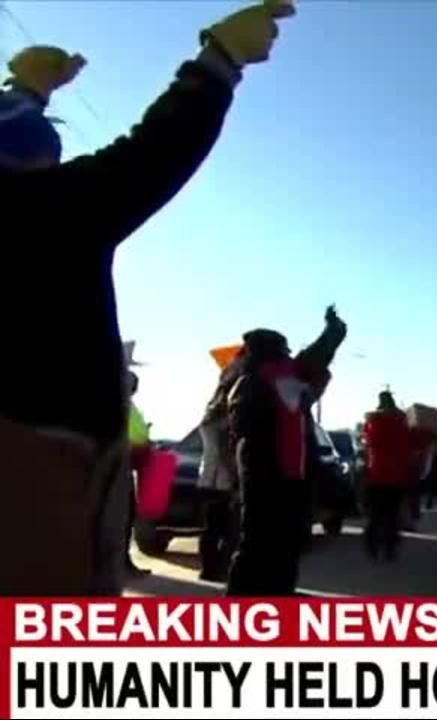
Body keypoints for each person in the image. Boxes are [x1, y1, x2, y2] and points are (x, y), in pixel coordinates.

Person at [0, 1, 297, 596]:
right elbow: (154, 151)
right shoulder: (41, 213)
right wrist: (219, 61)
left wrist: (26, 93)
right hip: (42, 483)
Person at [226, 306, 347, 596]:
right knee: (274, 544)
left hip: (264, 475)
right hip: (278, 477)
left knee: (260, 543)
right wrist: (333, 330)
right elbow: (316, 357)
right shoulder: (277, 378)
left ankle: (256, 596)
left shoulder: (246, 382)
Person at [197, 354, 244, 582]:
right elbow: (226, 452)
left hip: (207, 478)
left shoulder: (209, 415)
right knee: (230, 530)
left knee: (210, 529)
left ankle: (208, 570)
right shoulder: (227, 418)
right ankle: (221, 570)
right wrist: (236, 478)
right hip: (224, 480)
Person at [361, 391, 413, 562]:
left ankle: (372, 546)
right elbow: (408, 445)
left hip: (376, 475)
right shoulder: (401, 422)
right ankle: (389, 548)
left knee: (376, 514)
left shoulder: (373, 421)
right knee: (392, 515)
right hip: (396, 476)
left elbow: (368, 443)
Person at [124, 370, 152, 578]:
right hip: (118, 465)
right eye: (132, 384)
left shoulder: (129, 406)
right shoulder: (116, 405)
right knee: (121, 517)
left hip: (126, 466)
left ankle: (123, 561)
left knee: (127, 516)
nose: (135, 388)